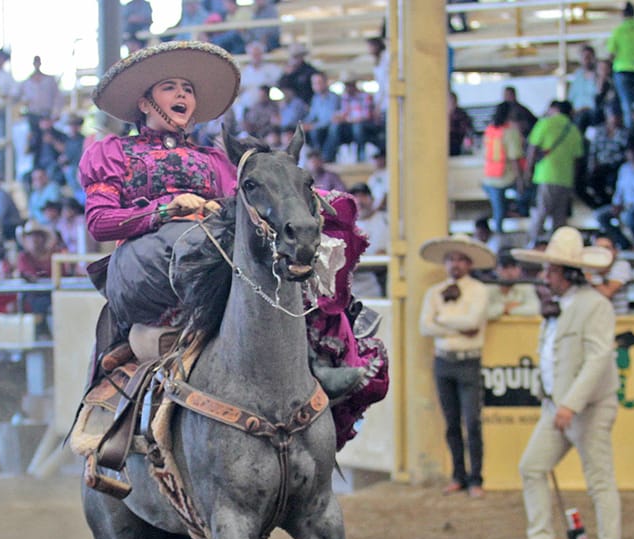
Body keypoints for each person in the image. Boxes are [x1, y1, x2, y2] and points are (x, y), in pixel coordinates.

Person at [78, 40, 387, 446]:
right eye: (170, 87)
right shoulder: (113, 152)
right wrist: (166, 211)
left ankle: (317, 357)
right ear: (144, 101)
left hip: (209, 250)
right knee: (197, 243)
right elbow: (100, 223)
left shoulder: (214, 160)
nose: (182, 95)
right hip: (144, 262)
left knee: (288, 245)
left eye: (187, 89)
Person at [507, 227, 622, 539]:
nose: (545, 277)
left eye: (551, 271)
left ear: (568, 273)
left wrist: (570, 403)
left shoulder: (594, 305)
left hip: (585, 408)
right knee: (532, 467)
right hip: (558, 406)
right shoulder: (560, 306)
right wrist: (558, 402)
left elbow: (598, 359)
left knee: (600, 480)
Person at [419, 234, 493, 498]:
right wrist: (459, 324)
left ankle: (476, 478)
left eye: (461, 259)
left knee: (472, 422)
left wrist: (443, 320)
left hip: (468, 360)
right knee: (451, 423)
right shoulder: (434, 292)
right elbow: (425, 326)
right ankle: (459, 476)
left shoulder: (480, 291)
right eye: (451, 259)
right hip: (444, 361)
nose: (455, 264)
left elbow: (473, 321)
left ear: (470, 264)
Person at [524, 100, 585, 247]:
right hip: (566, 178)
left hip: (546, 175)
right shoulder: (574, 130)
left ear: (555, 109)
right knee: (559, 218)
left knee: (541, 213)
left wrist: (528, 172)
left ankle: (532, 244)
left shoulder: (545, 123)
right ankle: (558, 247)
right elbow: (577, 158)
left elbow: (532, 149)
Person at [594, 137, 634, 249]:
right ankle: (624, 243)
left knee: (629, 216)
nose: (632, 154)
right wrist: (617, 203)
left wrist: (633, 205)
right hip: (625, 204)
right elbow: (619, 190)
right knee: (600, 215)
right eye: (629, 151)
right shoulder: (624, 168)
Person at [481, 101, 524, 234]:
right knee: (526, 194)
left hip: (489, 177)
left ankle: (499, 230)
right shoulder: (510, 132)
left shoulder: (490, 130)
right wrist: (520, 179)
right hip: (506, 177)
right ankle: (516, 213)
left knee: (498, 211)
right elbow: (515, 157)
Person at [349, 182, 385, 298]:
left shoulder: (386, 220)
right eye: (356, 197)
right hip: (352, 284)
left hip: (378, 280)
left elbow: (382, 254)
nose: (359, 201)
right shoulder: (345, 226)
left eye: (363, 196)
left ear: (372, 199)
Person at [486, 251, 540, 319]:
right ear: (496, 270)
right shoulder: (488, 288)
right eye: (505, 267)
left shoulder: (526, 286)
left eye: (513, 267)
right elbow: (483, 313)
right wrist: (504, 308)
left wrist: (506, 310)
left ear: (520, 270)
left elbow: (534, 309)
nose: (510, 272)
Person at [589, 234, 633, 315]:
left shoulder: (622, 265)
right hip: (592, 318)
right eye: (598, 248)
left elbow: (607, 293)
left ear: (615, 251)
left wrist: (590, 277)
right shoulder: (587, 266)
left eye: (607, 248)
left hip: (617, 319)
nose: (602, 252)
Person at [567, 45, 599, 133]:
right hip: (576, 111)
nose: (586, 59)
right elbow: (571, 96)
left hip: (591, 112)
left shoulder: (598, 74)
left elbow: (597, 95)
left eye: (589, 57)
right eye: (584, 57)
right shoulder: (578, 75)